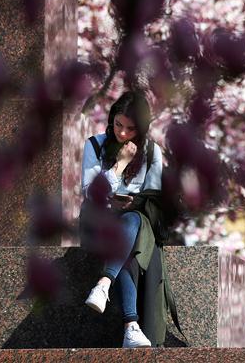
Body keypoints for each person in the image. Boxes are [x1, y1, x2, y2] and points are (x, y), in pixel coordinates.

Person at [80, 90, 164, 348]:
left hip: (133, 223)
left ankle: (106, 288)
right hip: (98, 222)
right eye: (118, 125)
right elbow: (90, 192)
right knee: (126, 234)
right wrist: (120, 164)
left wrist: (132, 203)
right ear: (111, 119)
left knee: (133, 223)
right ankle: (130, 326)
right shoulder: (95, 145)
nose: (123, 133)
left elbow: (154, 196)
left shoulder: (152, 152)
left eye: (130, 128)